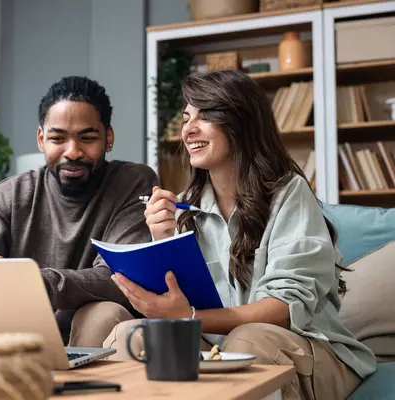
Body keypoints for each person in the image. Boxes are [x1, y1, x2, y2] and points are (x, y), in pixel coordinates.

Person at [100, 70, 376, 400]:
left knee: (248, 341)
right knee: (128, 335)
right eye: (186, 118)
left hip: (310, 351)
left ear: (241, 122)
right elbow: (182, 297)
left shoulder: (290, 193)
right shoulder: (186, 209)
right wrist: (163, 239)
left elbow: (286, 307)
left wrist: (189, 317)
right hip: (216, 348)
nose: (189, 129)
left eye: (204, 116)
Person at [0, 75, 158, 346]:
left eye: (87, 138)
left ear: (108, 138)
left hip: (94, 331)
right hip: (22, 328)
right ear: (41, 139)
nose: (73, 152)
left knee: (103, 313)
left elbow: (117, 278)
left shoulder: (133, 183)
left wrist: (31, 280)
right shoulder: (9, 195)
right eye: (58, 138)